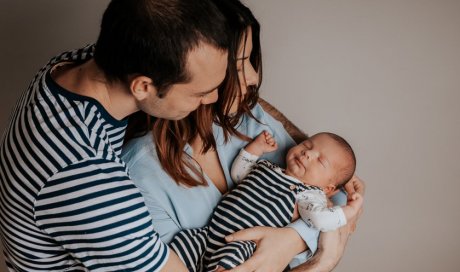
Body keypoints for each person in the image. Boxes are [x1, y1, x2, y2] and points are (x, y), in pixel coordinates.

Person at [122, 0, 365, 271]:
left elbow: (335, 195)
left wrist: (291, 240)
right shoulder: (138, 174)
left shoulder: (250, 120)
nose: (252, 77)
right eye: (239, 65)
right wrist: (322, 260)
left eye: (250, 60)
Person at [0, 0, 231, 271]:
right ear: (143, 86)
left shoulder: (74, 66)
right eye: (200, 93)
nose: (212, 99)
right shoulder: (86, 175)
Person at [168, 131, 363, 271]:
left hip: (244, 244)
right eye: (307, 145)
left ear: (328, 189)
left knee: (233, 259)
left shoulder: (309, 196)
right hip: (208, 234)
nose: (307, 153)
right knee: (181, 244)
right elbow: (239, 175)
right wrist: (255, 149)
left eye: (320, 161)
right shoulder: (268, 166)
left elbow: (322, 220)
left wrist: (351, 210)